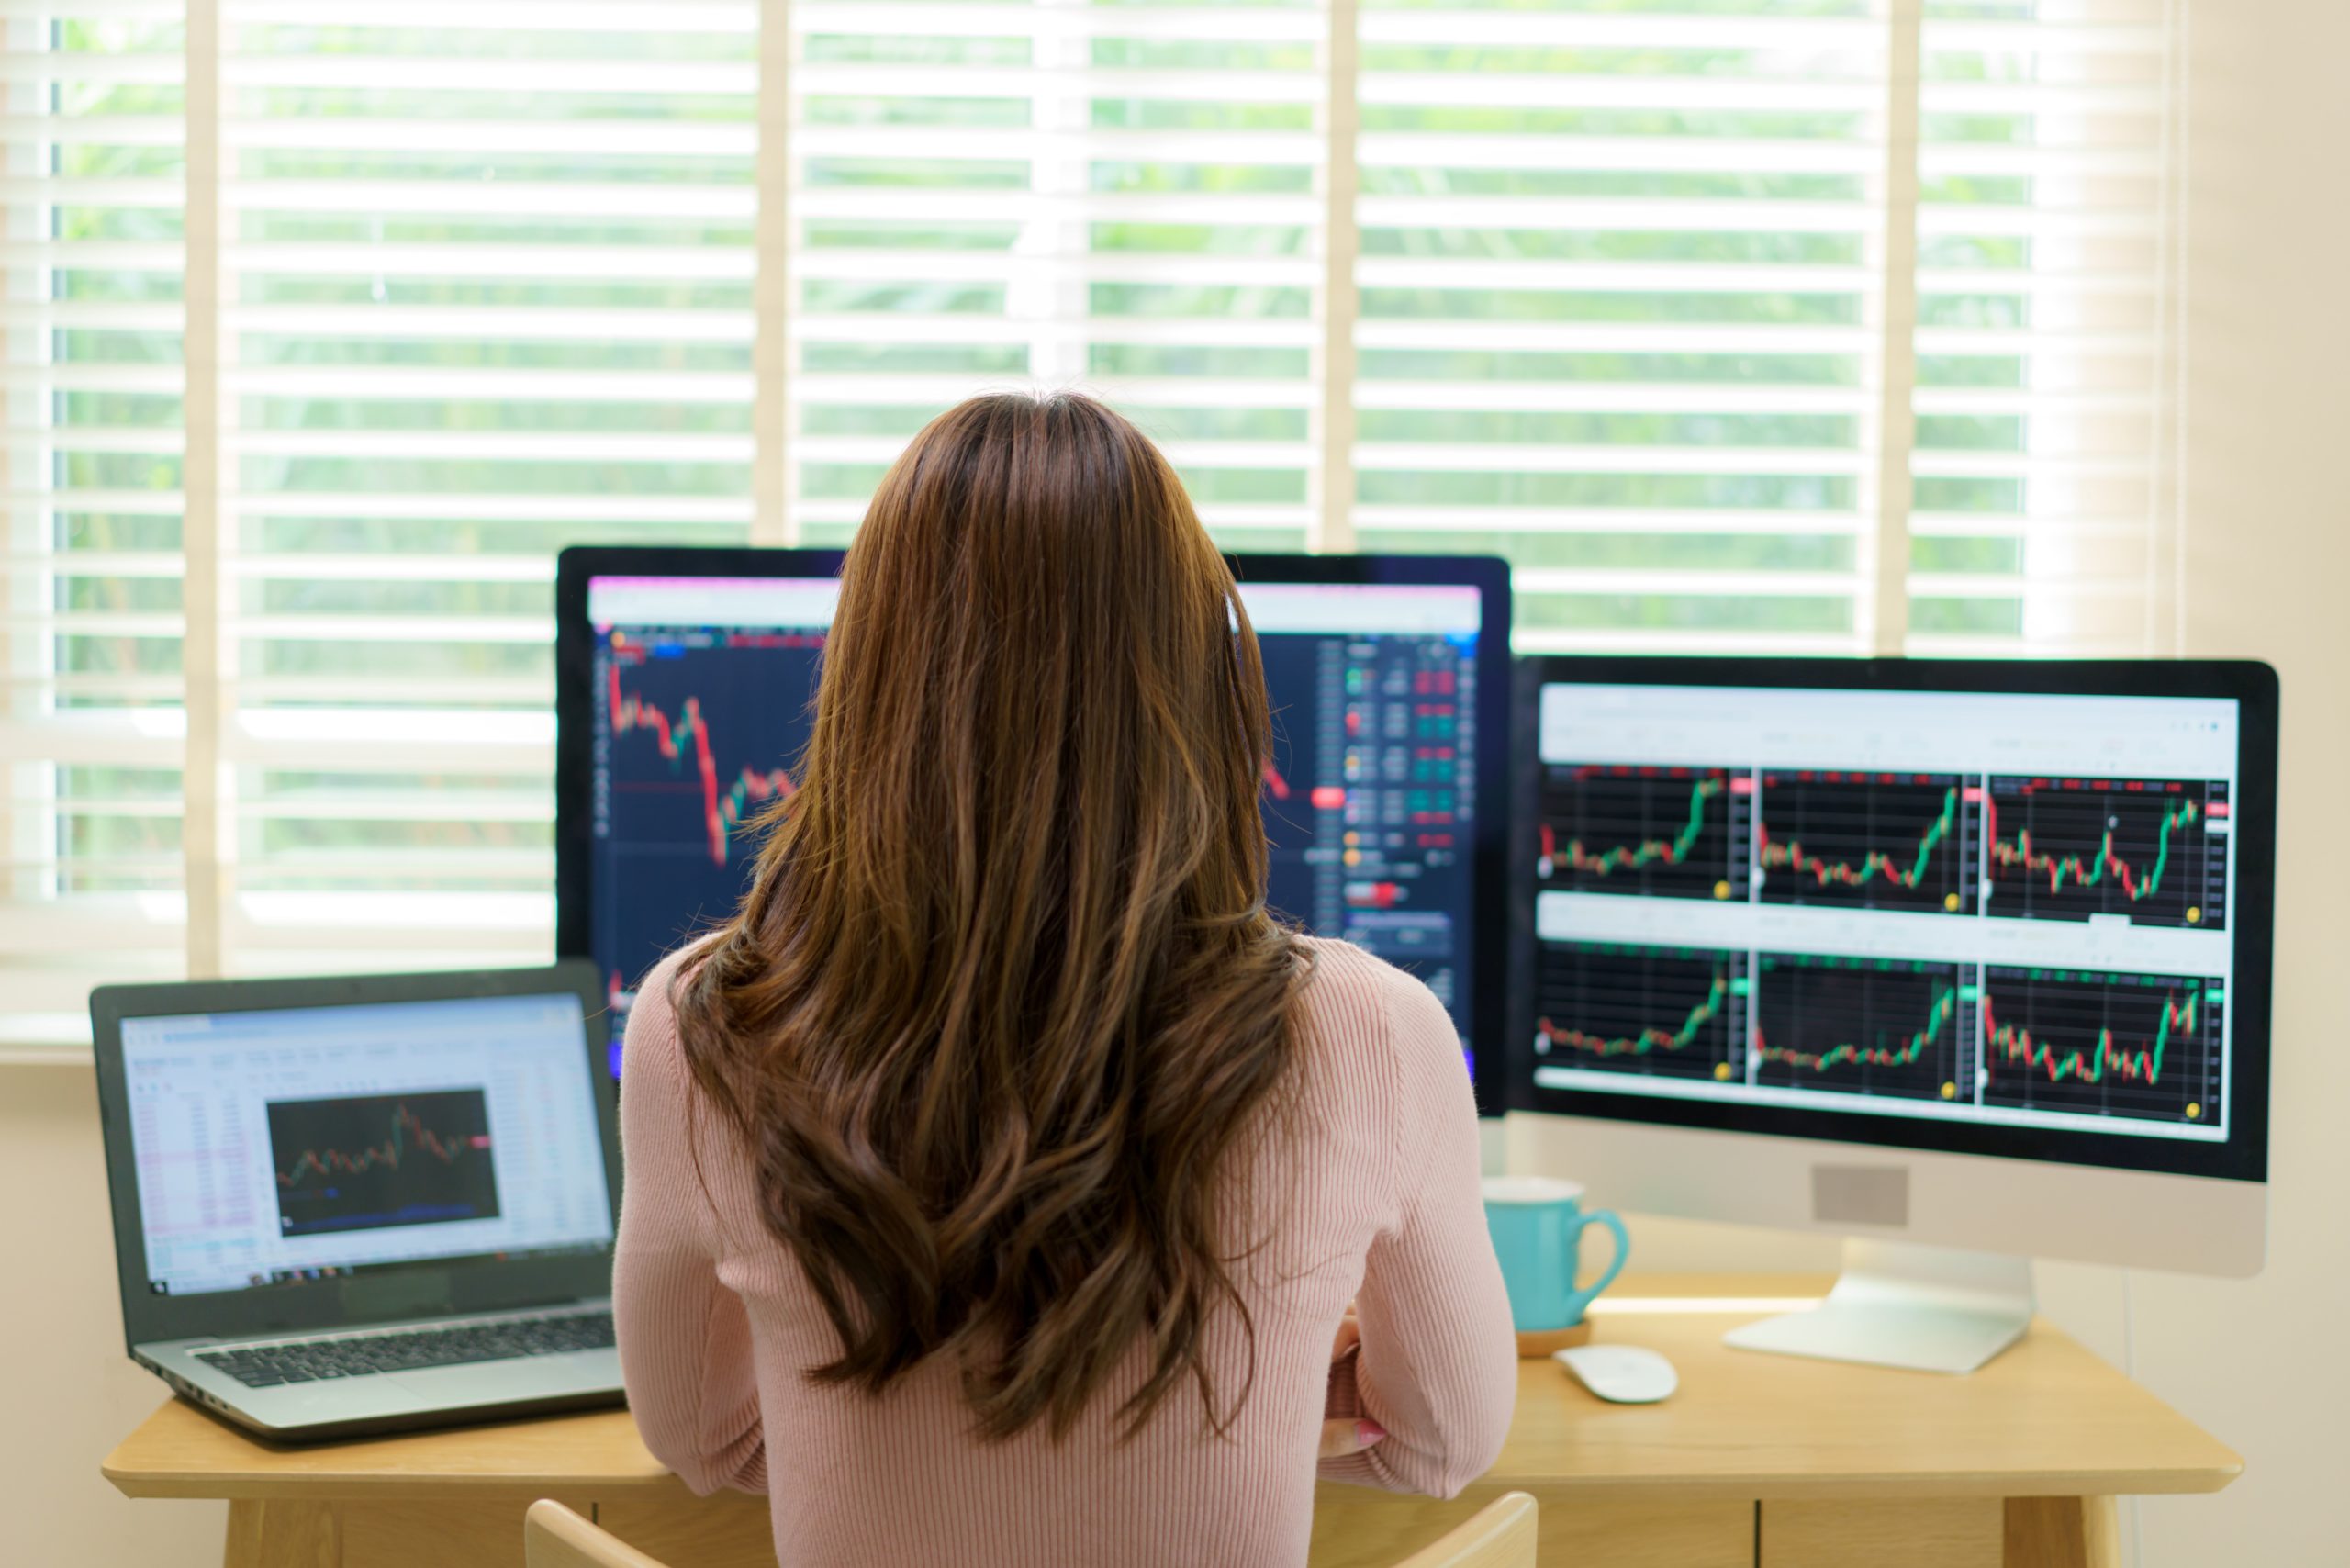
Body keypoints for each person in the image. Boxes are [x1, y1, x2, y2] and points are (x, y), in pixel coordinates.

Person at [614, 392, 1516, 1568]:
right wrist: (1245, 1412)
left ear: (866, 688)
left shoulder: (702, 1029)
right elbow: (1439, 1443)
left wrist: (904, 1442)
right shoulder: (1372, 1032)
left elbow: (706, 1441)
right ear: (1206, 684)